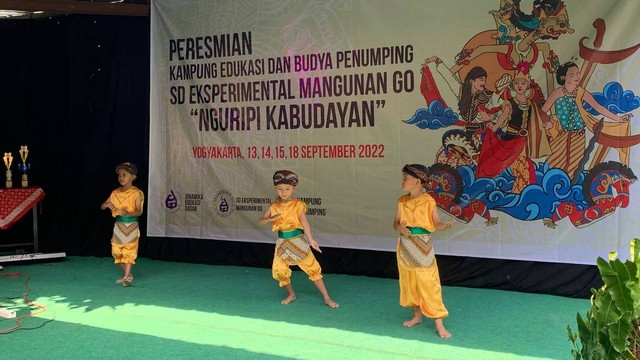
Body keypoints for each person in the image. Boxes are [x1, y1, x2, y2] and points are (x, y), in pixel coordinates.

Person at [258, 170, 339, 308]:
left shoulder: (297, 205)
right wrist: (271, 218)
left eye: (287, 189)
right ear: (275, 189)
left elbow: (305, 223)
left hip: (298, 241)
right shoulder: (274, 206)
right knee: (280, 271)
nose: (284, 192)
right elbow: (261, 221)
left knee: (312, 268)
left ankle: (326, 298)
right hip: (282, 243)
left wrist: (311, 240)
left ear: (293, 189)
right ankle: (291, 294)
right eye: (280, 189)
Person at [393, 164, 454, 338]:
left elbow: (435, 223)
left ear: (418, 181)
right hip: (405, 246)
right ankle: (417, 316)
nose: (403, 180)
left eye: (406, 178)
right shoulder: (401, 201)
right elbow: (395, 224)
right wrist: (400, 228)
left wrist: (444, 226)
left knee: (428, 283)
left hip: (422, 245)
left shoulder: (428, 201)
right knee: (410, 283)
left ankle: (439, 323)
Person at [541, 61, 631, 176]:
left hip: (578, 136)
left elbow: (598, 107)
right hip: (559, 135)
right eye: (572, 75)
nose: (577, 77)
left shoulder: (581, 92)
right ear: (563, 77)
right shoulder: (556, 93)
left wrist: (618, 119)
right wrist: (548, 123)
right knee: (555, 164)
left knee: (574, 166)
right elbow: (542, 113)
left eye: (577, 74)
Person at [476, 63, 551, 193]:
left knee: (528, 171)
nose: (519, 86)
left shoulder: (531, 104)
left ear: (528, 84)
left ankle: (521, 197)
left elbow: (539, 120)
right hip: (511, 141)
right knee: (523, 170)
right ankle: (516, 197)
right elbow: (501, 121)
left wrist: (550, 123)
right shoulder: (509, 104)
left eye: (523, 82)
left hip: (524, 143)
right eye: (517, 83)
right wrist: (489, 123)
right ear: (513, 85)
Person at [100, 162, 144, 287]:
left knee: (129, 250)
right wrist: (106, 205)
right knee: (116, 252)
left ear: (133, 177)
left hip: (131, 225)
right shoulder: (115, 193)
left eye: (125, 175)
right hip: (119, 226)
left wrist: (128, 212)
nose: (121, 177)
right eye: (120, 175)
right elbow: (103, 206)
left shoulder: (137, 193)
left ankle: (126, 277)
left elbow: (139, 211)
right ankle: (128, 274)